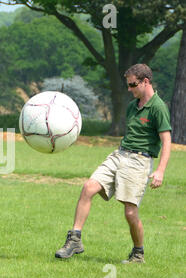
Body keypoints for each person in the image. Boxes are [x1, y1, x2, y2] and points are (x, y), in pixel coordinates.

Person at [55, 64, 171, 263]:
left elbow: (166, 141)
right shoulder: (132, 106)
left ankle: (138, 253)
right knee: (88, 187)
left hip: (139, 161)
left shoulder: (158, 107)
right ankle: (75, 239)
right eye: (128, 85)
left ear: (145, 82)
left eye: (133, 84)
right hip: (119, 155)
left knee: (130, 212)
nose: (129, 89)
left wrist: (160, 170)